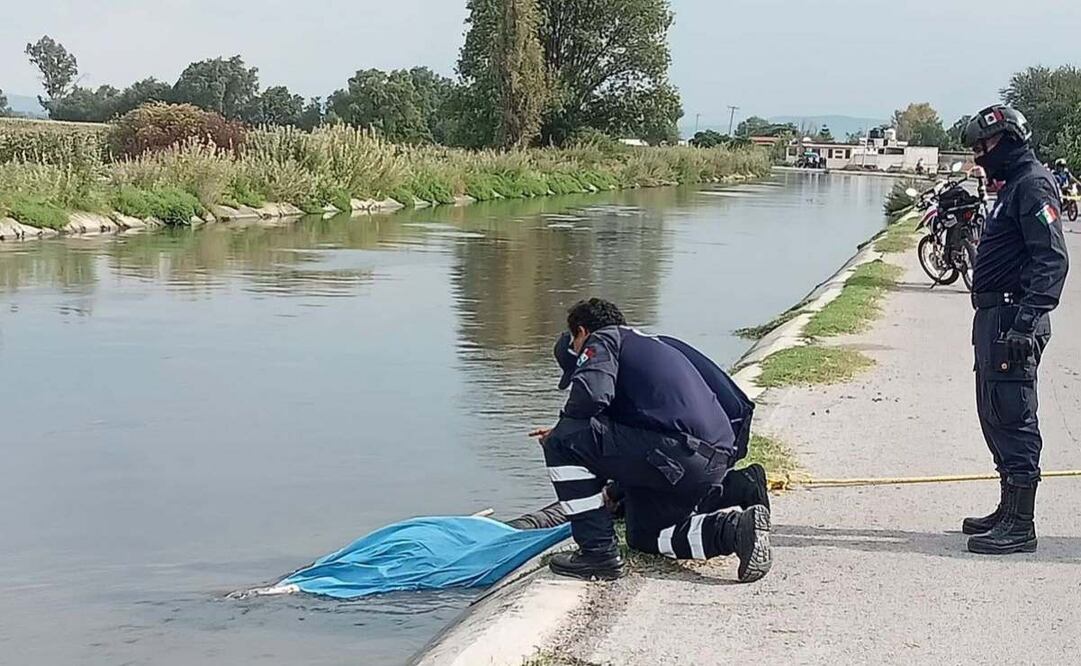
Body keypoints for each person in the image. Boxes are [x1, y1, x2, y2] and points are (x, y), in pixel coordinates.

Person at [532, 298, 772, 582]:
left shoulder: (603, 339)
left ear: (582, 332)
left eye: (575, 346)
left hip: (679, 455)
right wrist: (617, 493)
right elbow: (732, 402)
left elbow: (592, 397)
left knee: (562, 441)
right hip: (711, 457)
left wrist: (562, 431)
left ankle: (596, 553)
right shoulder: (658, 344)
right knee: (645, 535)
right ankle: (735, 529)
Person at [961, 105, 1069, 555]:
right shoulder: (1012, 186)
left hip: (1013, 319)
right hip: (994, 316)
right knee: (994, 413)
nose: (980, 157)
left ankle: (1021, 524)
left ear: (1007, 140)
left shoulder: (1033, 184)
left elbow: (1051, 259)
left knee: (1014, 414)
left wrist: (1026, 321)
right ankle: (1008, 507)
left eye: (984, 146)